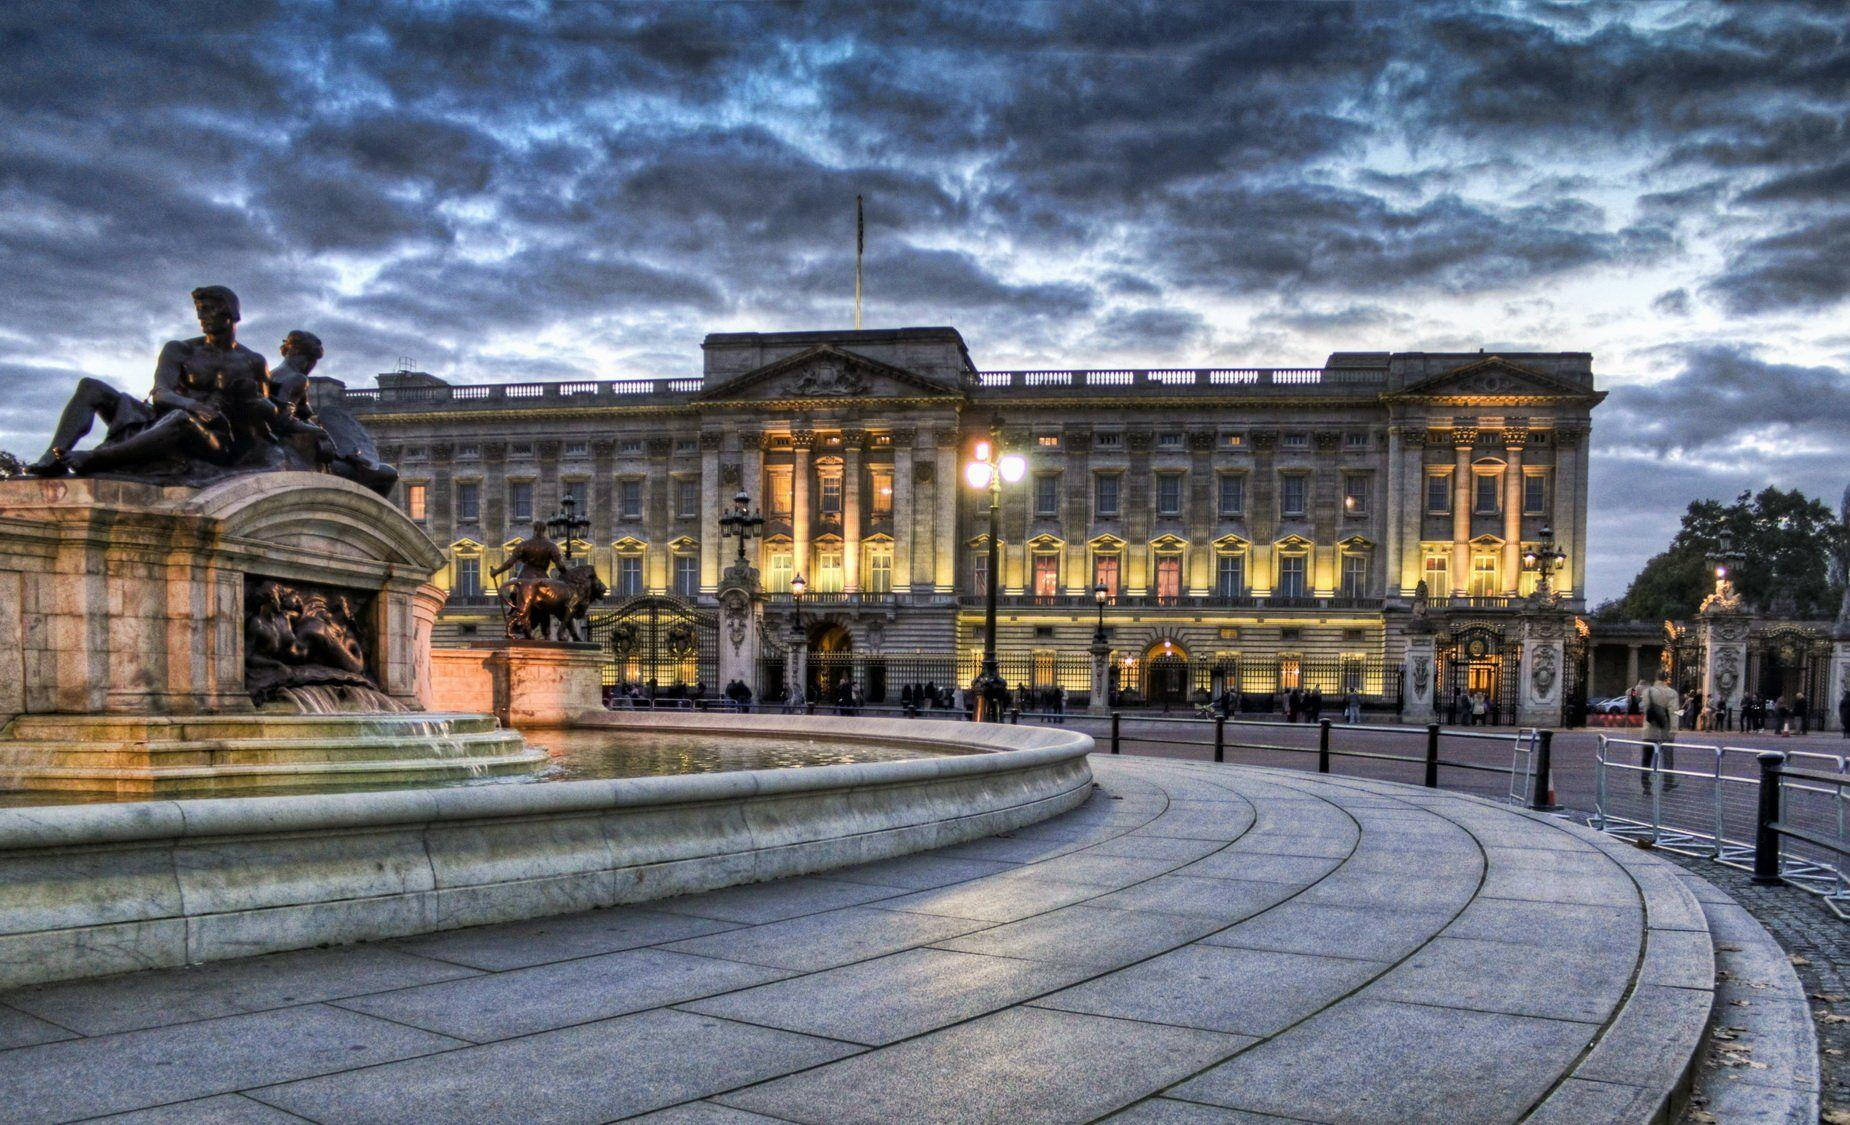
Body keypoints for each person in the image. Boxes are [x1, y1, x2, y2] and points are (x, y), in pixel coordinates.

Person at [1640, 672, 1680, 793]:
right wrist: (1674, 729)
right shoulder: (1672, 693)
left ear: (1656, 678)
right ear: (1666, 679)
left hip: (1649, 729)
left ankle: (1646, 785)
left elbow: (1645, 709)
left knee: (1646, 758)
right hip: (1665, 730)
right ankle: (1667, 783)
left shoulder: (1647, 691)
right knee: (1667, 759)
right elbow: (1674, 712)